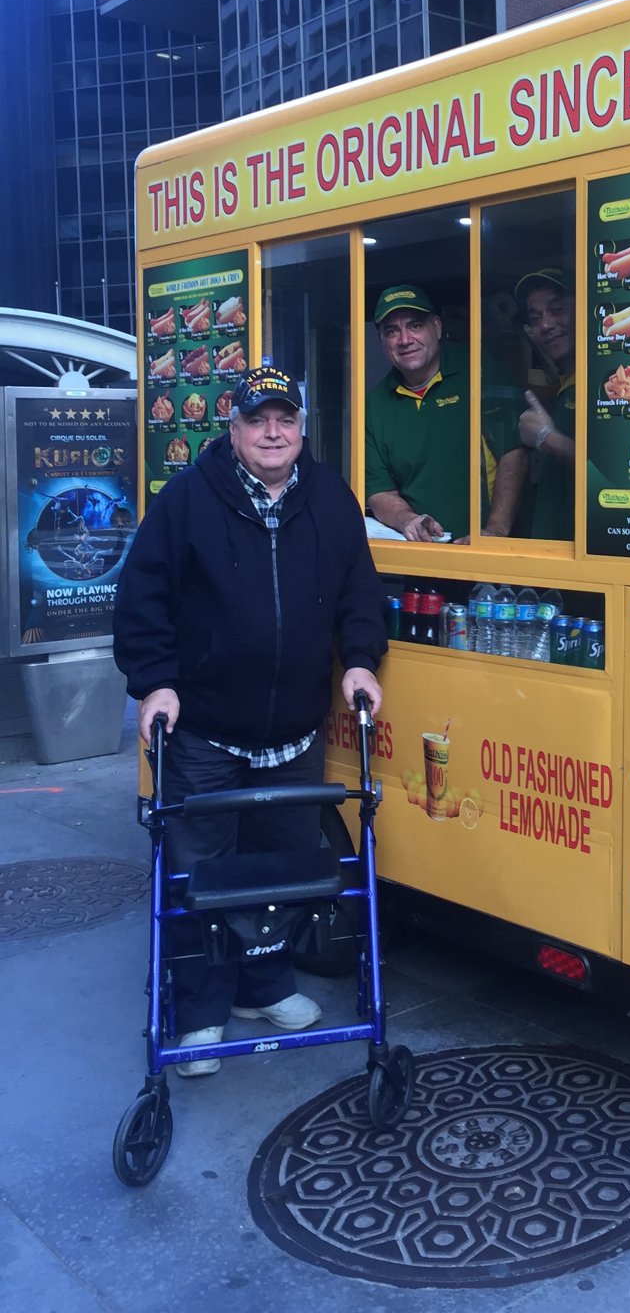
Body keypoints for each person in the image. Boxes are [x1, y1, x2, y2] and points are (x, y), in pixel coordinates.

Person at [113, 366, 386, 1078]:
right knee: (202, 874)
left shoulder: (330, 499)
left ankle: (264, 990)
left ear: (301, 428)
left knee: (278, 876)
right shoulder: (186, 501)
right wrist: (155, 686)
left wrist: (360, 661)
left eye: (284, 419)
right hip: (204, 729)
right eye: (257, 420)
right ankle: (199, 1014)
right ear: (231, 429)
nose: (273, 432)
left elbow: (359, 590)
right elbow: (142, 601)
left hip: (293, 734)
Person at [365, 283, 524, 541]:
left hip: (490, 550)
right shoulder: (374, 405)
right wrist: (410, 521)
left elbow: (514, 451)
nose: (405, 340)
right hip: (425, 554)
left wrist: (495, 530)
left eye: (415, 325)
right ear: (382, 342)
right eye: (392, 331)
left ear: (437, 327)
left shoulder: (479, 367)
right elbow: (380, 491)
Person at [515, 269, 576, 541]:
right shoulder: (566, 386)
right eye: (535, 317)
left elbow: (618, 473)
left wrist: (546, 438)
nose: (546, 325)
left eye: (557, 309)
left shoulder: (613, 384)